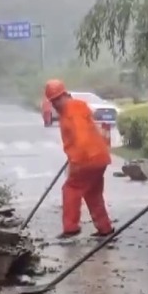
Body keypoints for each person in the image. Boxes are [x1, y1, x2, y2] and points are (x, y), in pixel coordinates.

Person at [45, 79, 114, 239]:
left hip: (87, 159)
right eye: (52, 101)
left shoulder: (71, 110)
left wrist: (77, 160)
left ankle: (71, 227)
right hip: (99, 157)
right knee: (93, 193)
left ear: (64, 95)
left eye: (56, 100)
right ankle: (105, 228)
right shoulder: (76, 107)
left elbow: (82, 137)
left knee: (70, 189)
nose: (55, 104)